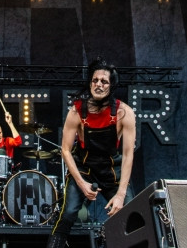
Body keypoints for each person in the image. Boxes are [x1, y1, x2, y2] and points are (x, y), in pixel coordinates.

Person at [47, 57, 136, 248]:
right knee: (68, 213)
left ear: (111, 86)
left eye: (104, 81)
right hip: (84, 168)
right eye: (95, 80)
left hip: (112, 170)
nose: (98, 84)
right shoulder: (76, 111)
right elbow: (65, 150)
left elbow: (128, 155)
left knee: (131, 213)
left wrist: (120, 195)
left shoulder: (124, 113)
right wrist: (81, 183)